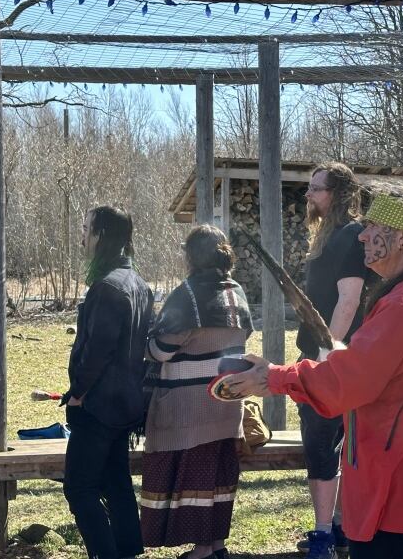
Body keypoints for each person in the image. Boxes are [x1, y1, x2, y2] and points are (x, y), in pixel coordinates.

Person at [228, 181, 403, 559]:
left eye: (373, 228)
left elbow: (348, 383)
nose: (363, 236)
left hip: (390, 465)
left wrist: (273, 377)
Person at [140, 224, 252, 559]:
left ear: (192, 255)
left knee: (196, 481)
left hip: (187, 408)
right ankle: (216, 545)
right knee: (218, 479)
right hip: (226, 401)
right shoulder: (238, 292)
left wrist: (146, 342)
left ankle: (202, 549)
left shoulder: (187, 294)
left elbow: (161, 350)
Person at [63, 205, 153, 559]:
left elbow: (97, 351)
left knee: (80, 488)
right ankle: (128, 550)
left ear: (101, 235)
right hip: (127, 405)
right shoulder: (139, 284)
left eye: (86, 229)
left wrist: (77, 395)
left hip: (99, 406)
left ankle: (107, 553)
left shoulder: (108, 287)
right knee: (116, 482)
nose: (82, 236)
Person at [296, 162, 370, 558]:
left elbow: (349, 299)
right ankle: (337, 525)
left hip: (334, 358)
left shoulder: (350, 235)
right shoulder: (327, 235)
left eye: (317, 189)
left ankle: (324, 533)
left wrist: (329, 352)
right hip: (320, 353)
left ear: (338, 193)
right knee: (326, 442)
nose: (309, 195)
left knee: (323, 443)